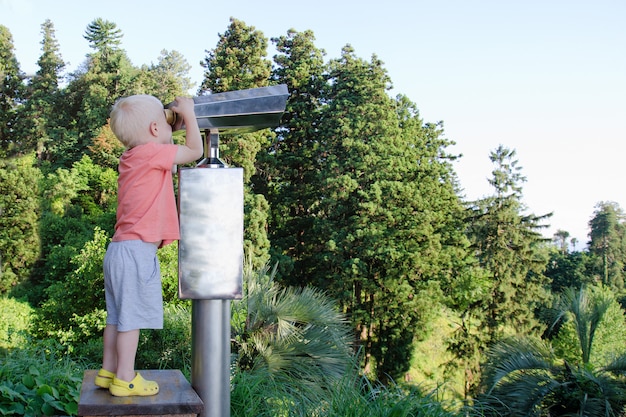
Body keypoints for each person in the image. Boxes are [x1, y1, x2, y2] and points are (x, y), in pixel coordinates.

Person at [94, 95, 203, 396]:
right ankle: (125, 378)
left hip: (118, 251)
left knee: (116, 317)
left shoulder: (132, 157)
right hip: (137, 251)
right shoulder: (154, 154)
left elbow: (167, 142)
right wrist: (190, 115)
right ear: (156, 130)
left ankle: (108, 371)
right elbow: (195, 150)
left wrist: (171, 122)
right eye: (167, 124)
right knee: (131, 319)